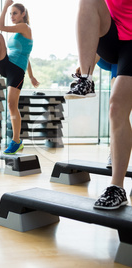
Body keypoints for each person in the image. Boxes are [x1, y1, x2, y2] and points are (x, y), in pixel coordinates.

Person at [70, 0, 132, 210]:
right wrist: (88, 62)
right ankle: (86, 81)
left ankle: (116, 187)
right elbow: (99, 22)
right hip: (114, 39)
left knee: (116, 107)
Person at [0, 0, 40, 154]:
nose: (12, 16)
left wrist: (6, 6)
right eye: (10, 14)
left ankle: (16, 141)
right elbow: (26, 54)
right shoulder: (16, 33)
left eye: (14, 13)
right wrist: (32, 75)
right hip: (6, 64)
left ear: (23, 14)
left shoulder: (24, 27)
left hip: (16, 71)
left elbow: (25, 57)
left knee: (11, 105)